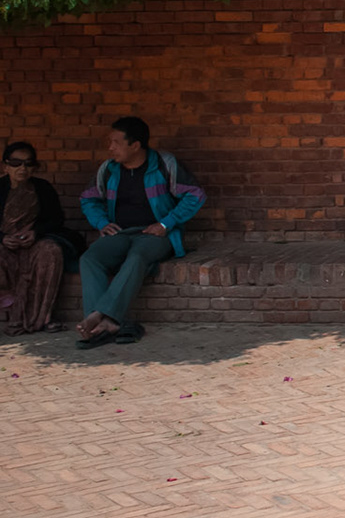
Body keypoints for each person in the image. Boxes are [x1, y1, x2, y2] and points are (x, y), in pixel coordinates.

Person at [75, 117, 205, 348]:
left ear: (135, 145)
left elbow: (195, 194)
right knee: (90, 258)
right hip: (120, 234)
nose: (110, 148)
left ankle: (100, 317)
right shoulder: (108, 169)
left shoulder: (165, 164)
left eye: (116, 142)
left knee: (137, 257)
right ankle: (104, 323)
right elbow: (89, 199)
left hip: (156, 235)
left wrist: (166, 224)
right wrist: (101, 222)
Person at [0, 141, 78, 335]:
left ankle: (43, 316)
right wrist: (2, 238)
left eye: (28, 163)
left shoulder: (42, 188)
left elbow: (56, 219)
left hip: (33, 242)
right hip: (4, 244)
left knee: (50, 252)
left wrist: (36, 233)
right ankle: (10, 311)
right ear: (5, 166)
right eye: (16, 163)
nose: (22, 169)